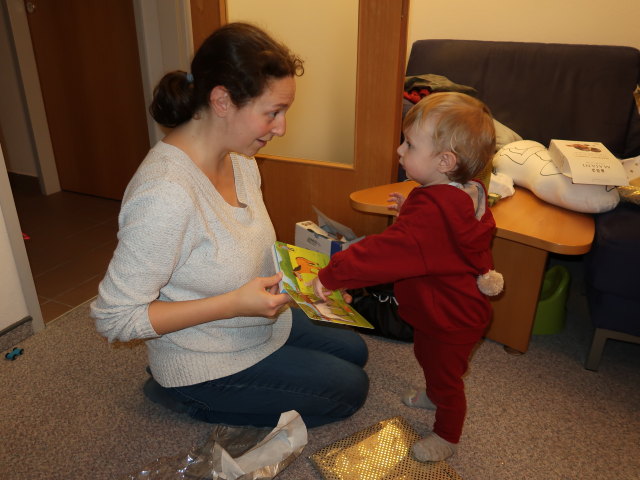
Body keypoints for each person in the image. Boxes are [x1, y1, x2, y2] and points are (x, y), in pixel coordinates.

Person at [90, 22, 368, 429]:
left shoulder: (240, 158)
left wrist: (301, 277)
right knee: (349, 390)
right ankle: (180, 392)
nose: (281, 128)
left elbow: (245, 244)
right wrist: (234, 304)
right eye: (273, 112)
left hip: (254, 322)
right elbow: (113, 318)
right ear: (222, 100)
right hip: (204, 354)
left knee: (353, 350)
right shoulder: (164, 193)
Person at [312, 92, 503, 460]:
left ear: (446, 161)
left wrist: (333, 275)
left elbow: (381, 255)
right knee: (427, 358)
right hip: (446, 310)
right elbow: (438, 239)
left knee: (448, 380)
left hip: (451, 319)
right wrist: (411, 213)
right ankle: (432, 394)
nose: (400, 150)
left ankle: (447, 436)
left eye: (410, 144)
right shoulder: (461, 192)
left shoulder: (433, 214)